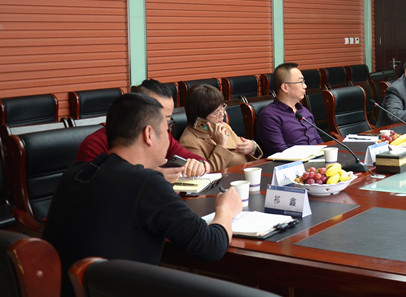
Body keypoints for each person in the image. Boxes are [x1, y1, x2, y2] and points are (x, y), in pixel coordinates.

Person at [43, 93, 242, 297]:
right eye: (166, 130)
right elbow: (211, 246)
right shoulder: (145, 183)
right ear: (149, 134)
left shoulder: (73, 173)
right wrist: (225, 209)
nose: (169, 138)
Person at [76, 78, 209, 181]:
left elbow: (201, 161)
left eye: (167, 119)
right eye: (158, 116)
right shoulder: (95, 143)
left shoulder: (163, 136)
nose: (163, 125)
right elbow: (95, 190)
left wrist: (201, 165)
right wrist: (150, 177)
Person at [178, 84, 262, 172]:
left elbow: (242, 150)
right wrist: (221, 145)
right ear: (200, 117)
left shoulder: (223, 126)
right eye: (216, 112)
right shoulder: (189, 141)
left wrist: (252, 147)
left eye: (223, 107)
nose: (222, 114)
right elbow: (205, 173)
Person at [255, 63, 323, 156]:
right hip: (294, 163)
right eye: (300, 82)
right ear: (285, 87)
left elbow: (318, 141)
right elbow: (280, 151)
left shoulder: (304, 111)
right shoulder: (269, 116)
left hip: (317, 160)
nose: (305, 86)